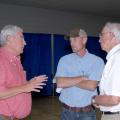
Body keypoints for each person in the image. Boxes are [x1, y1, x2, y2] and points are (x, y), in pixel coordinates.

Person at [55, 28, 104, 120]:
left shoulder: (97, 61)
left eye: (75, 40)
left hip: (87, 114)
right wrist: (83, 77)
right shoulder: (64, 60)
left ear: (84, 40)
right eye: (70, 40)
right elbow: (60, 83)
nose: (71, 43)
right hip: (66, 112)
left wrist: (68, 80)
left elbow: (91, 85)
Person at [0, 25, 48, 120]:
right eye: (21, 38)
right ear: (9, 39)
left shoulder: (16, 60)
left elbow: (15, 85)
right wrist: (25, 87)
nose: (25, 43)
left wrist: (29, 83)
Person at [92, 22, 120, 120]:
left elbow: (114, 99)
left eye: (101, 35)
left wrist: (95, 99)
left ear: (112, 36)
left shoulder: (117, 59)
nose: (99, 40)